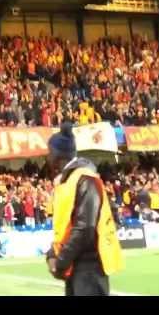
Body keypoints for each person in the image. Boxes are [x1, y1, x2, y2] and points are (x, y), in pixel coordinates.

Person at [45, 123, 123, 296]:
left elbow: (85, 228)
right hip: (77, 267)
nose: (47, 156)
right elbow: (66, 226)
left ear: (59, 155)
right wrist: (53, 253)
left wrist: (61, 261)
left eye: (50, 152)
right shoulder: (69, 181)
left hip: (89, 268)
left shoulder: (85, 180)